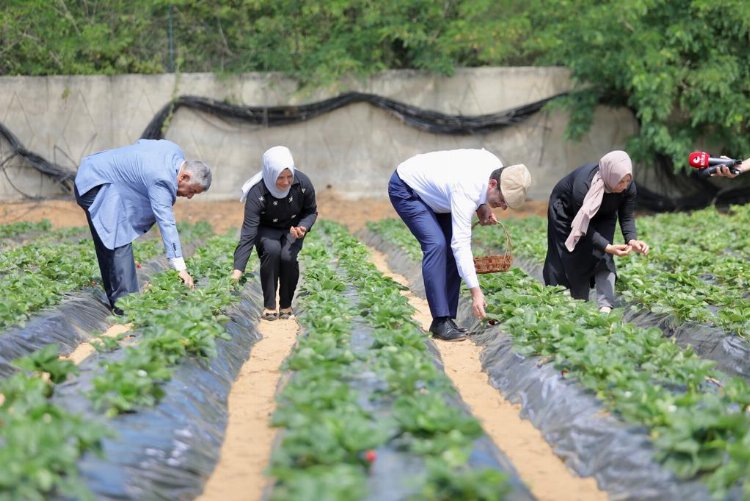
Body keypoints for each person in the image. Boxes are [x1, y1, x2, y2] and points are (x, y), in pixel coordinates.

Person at [388, 148, 532, 342]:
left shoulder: (495, 168)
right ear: (493, 184)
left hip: (441, 194)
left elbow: (480, 194)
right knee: (437, 245)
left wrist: (482, 206)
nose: (504, 207)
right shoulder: (467, 187)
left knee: (448, 248)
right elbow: (461, 244)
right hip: (408, 188)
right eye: (503, 200)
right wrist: (476, 292)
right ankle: (440, 321)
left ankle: (447, 320)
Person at [74, 139, 212, 314]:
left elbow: (141, 144)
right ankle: (127, 308)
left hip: (98, 170)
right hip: (93, 183)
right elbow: (166, 223)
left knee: (111, 238)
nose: (190, 196)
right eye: (191, 191)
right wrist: (180, 269)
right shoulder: (162, 179)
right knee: (117, 238)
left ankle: (119, 300)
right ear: (184, 177)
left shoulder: (174, 151)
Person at [542, 150, 649, 313]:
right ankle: (570, 303)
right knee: (572, 254)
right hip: (568, 212)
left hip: (605, 213)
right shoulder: (583, 186)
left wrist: (632, 240)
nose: (625, 186)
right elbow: (583, 226)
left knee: (604, 256)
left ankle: (605, 306)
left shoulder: (627, 187)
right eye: (621, 181)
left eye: (628, 180)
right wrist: (606, 246)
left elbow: (626, 216)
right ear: (610, 175)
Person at [232, 146, 317, 321]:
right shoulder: (257, 192)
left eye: (289, 176)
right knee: (271, 250)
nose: (286, 182)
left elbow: (311, 211)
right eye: (280, 177)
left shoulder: (302, 184)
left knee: (288, 257)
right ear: (270, 174)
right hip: (266, 229)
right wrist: (237, 270)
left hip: (293, 228)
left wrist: (303, 227)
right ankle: (269, 305)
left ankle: (286, 305)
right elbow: (248, 232)